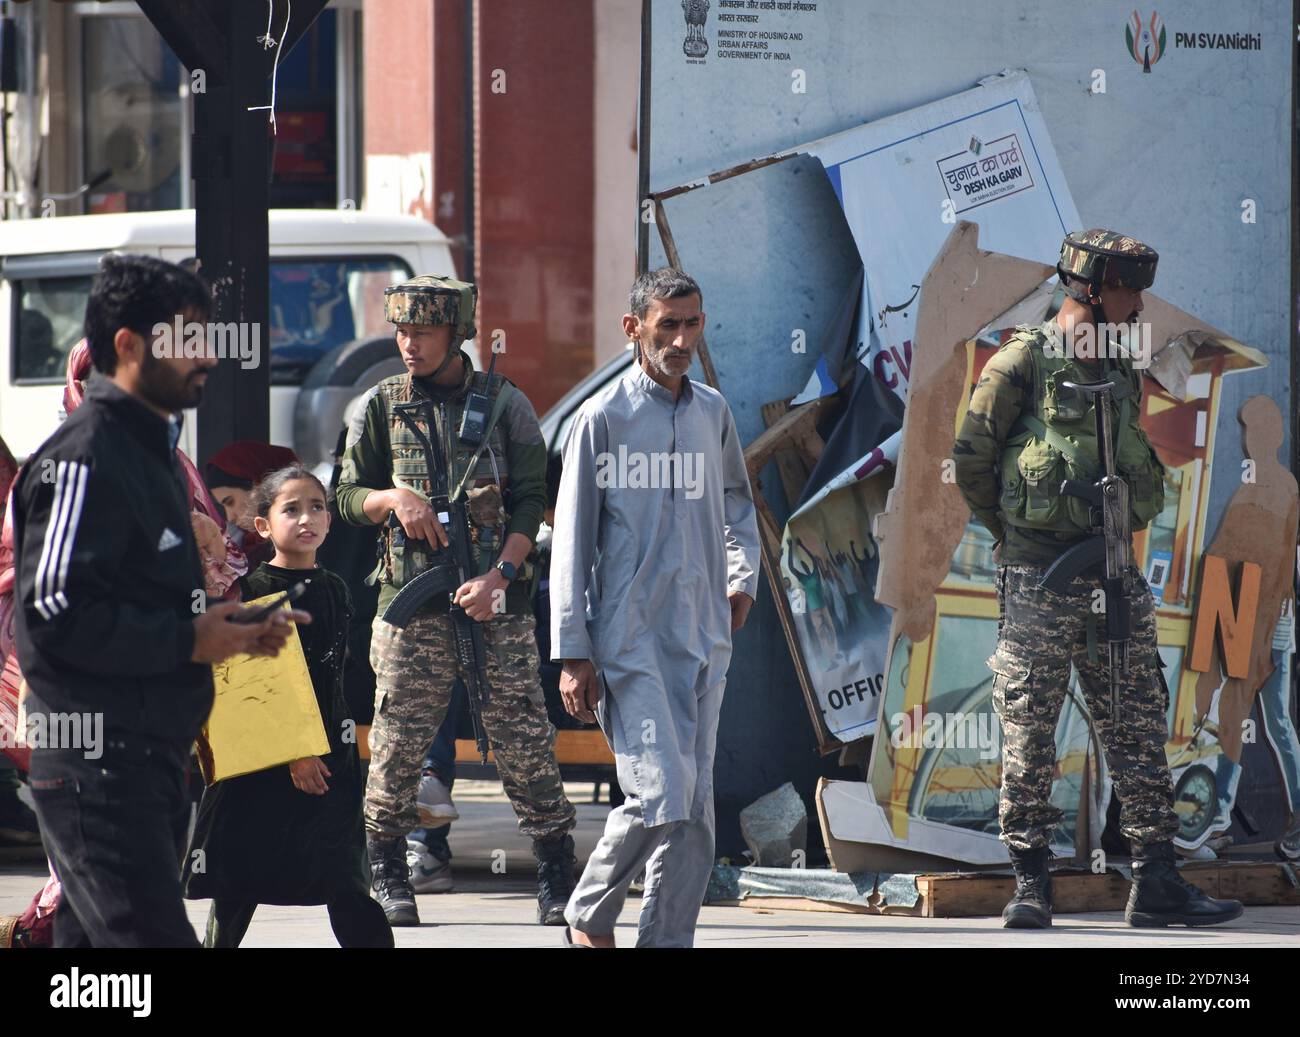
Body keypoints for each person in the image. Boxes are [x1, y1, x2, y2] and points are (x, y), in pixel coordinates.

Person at [12, 254, 306, 948]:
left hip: (150, 768)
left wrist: (227, 630)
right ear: (128, 345)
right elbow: (51, 616)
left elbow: (146, 606)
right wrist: (187, 640)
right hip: (99, 776)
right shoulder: (83, 458)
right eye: (189, 335)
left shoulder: (151, 454)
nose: (207, 354)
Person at [952, 228, 1243, 929]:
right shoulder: (1022, 360)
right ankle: (1030, 881)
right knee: (1030, 725)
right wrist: (1015, 538)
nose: (1139, 304)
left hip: (1113, 570)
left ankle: (1157, 879)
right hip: (1040, 578)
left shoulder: (1117, 365)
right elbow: (972, 459)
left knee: (1138, 721)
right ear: (1089, 289)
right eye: (1128, 290)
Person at [336, 274, 577, 926]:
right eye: (401, 330)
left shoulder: (507, 405)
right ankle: (390, 872)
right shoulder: (379, 406)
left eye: (423, 331)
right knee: (395, 746)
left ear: (455, 333)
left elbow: (533, 499)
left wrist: (501, 572)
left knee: (525, 739)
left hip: (495, 604)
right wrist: (394, 499)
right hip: (411, 610)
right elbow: (346, 496)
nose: (408, 344)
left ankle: (555, 869)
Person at [550, 268, 760, 948]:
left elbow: (737, 504)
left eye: (691, 323)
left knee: (695, 813)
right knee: (658, 792)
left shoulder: (712, 413)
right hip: (629, 642)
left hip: (703, 636)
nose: (680, 338)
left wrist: (741, 579)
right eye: (666, 324)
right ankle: (586, 911)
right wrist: (574, 651)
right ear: (632, 327)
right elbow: (572, 541)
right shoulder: (602, 419)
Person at [184, 466, 393, 948]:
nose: (307, 519)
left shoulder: (336, 588)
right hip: (265, 762)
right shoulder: (251, 592)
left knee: (346, 878)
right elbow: (249, 687)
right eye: (291, 509)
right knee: (240, 882)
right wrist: (294, 753)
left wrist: (331, 749)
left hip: (330, 756)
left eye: (317, 507)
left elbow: (332, 679)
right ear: (263, 525)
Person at [205, 441, 301, 568]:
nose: (230, 517)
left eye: (230, 502)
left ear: (258, 484)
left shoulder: (301, 541)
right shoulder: (243, 545)